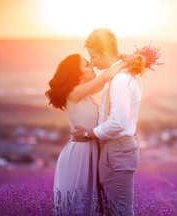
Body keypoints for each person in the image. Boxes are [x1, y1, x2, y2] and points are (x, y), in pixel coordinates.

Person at [45, 53, 128, 215]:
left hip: (89, 148)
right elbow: (105, 77)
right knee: (78, 204)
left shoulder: (84, 93)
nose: (92, 66)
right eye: (86, 65)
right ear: (77, 73)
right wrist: (129, 61)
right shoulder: (74, 93)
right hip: (80, 153)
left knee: (90, 204)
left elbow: (107, 80)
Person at [71, 28, 142, 216]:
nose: (92, 62)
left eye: (93, 57)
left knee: (119, 212)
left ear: (103, 53)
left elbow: (117, 122)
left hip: (117, 150)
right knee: (113, 211)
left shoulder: (119, 80)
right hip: (116, 150)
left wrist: (87, 134)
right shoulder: (122, 76)